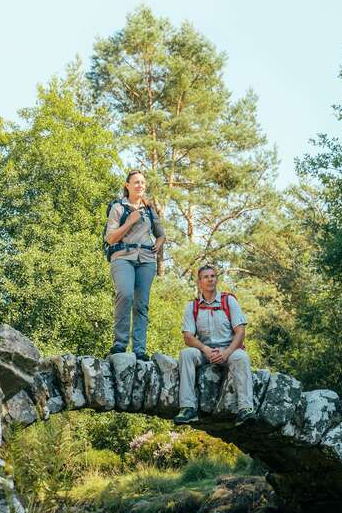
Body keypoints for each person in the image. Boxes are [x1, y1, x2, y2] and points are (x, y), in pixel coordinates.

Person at [174, 265, 255, 426]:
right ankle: (188, 408)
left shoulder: (228, 300)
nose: (210, 279)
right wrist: (205, 349)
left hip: (229, 350)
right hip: (205, 351)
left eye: (213, 276)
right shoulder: (193, 306)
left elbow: (240, 332)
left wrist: (226, 353)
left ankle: (245, 409)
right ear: (199, 282)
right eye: (206, 277)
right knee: (186, 354)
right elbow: (188, 337)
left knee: (241, 357)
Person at [104, 170, 166, 360]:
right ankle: (120, 345)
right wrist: (129, 222)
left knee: (142, 304)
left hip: (146, 260)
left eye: (142, 182)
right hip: (122, 256)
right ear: (127, 186)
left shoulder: (149, 209)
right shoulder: (118, 208)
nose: (140, 185)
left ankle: (139, 349)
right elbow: (111, 237)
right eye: (136, 182)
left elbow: (161, 233)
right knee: (125, 293)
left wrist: (159, 242)